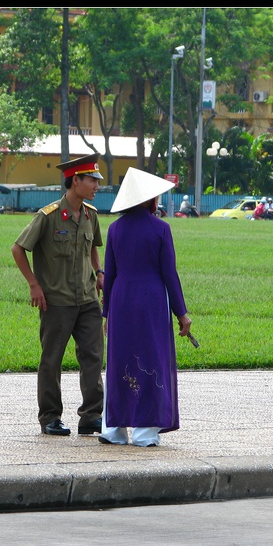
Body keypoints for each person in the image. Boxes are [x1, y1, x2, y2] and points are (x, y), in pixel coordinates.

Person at [11, 153, 105, 437]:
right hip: (57, 302)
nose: (96, 185)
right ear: (75, 181)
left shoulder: (91, 214)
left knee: (93, 357)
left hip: (88, 300)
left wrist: (99, 274)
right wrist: (33, 285)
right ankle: (50, 417)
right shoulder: (48, 216)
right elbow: (18, 248)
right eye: (92, 180)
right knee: (51, 360)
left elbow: (92, 248)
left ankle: (91, 416)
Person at [99, 167, 192, 447]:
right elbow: (169, 274)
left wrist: (106, 313)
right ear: (150, 200)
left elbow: (110, 275)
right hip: (151, 300)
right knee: (151, 358)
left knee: (119, 360)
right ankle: (144, 432)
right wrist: (181, 313)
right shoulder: (161, 229)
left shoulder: (115, 229)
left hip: (121, 300)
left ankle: (113, 430)